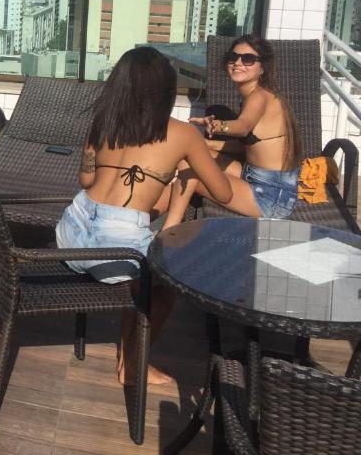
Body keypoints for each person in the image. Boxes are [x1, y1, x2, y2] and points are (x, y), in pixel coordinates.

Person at [55, 46, 232, 385]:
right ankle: (134, 363)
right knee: (164, 289)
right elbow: (223, 193)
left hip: (71, 230)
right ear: (165, 90)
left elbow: (87, 180)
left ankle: (130, 352)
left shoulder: (102, 123)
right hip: (114, 247)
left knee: (144, 264)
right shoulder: (183, 134)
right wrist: (191, 162)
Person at [172, 34, 303, 219]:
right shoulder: (256, 95)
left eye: (248, 59)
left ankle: (169, 229)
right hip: (255, 175)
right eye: (233, 57)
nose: (238, 63)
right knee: (194, 154)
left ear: (262, 67)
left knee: (190, 168)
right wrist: (203, 144)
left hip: (271, 197)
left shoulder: (259, 97)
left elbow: (242, 127)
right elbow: (249, 147)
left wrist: (218, 126)